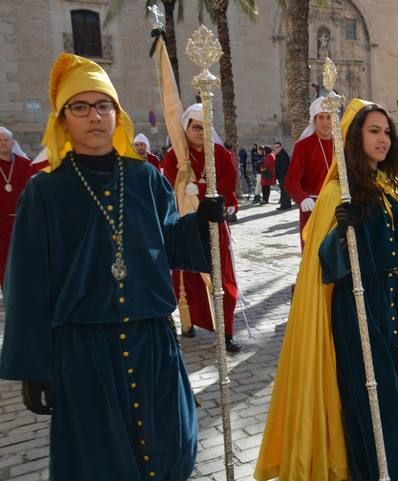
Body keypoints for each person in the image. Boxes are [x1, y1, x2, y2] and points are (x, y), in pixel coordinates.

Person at [0, 53, 227, 481]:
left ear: (117, 114)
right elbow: (26, 287)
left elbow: (169, 245)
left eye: (104, 105)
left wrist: (203, 221)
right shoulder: (44, 192)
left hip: (152, 346)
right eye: (80, 107)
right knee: (99, 463)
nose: (94, 116)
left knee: (169, 453)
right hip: (84, 354)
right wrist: (33, 367)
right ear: (63, 118)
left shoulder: (146, 179)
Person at [254, 99, 398, 481]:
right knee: (376, 400)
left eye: (386, 132)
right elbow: (325, 267)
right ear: (354, 138)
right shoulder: (337, 195)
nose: (382, 139)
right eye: (372, 131)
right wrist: (341, 235)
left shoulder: (392, 186)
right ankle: (378, 471)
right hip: (362, 310)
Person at [163, 103, 241, 352]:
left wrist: (222, 201)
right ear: (186, 128)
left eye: (206, 127)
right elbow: (166, 187)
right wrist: (183, 189)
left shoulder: (219, 153)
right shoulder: (175, 155)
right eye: (196, 127)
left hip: (214, 227)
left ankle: (226, 331)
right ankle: (189, 322)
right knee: (188, 280)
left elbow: (228, 184)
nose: (200, 132)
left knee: (222, 278)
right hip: (186, 226)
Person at [284, 96, 334, 250]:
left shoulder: (342, 144)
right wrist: (303, 198)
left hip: (337, 208)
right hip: (313, 208)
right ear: (314, 120)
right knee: (315, 252)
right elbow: (291, 181)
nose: (325, 122)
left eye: (329, 117)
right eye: (321, 118)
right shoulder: (303, 146)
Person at [0, 126, 35, 289]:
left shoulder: (25, 164)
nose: (3, 143)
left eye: (6, 140)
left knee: (23, 261)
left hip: (22, 221)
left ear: (13, 142)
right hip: (1, 225)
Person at [273, 141, 292, 210]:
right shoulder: (279, 154)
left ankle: (285, 205)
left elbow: (284, 166)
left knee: (285, 191)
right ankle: (285, 204)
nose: (276, 149)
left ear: (281, 147)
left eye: (278, 147)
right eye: (275, 147)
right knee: (283, 190)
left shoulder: (283, 155)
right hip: (281, 176)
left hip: (284, 176)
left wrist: (279, 173)